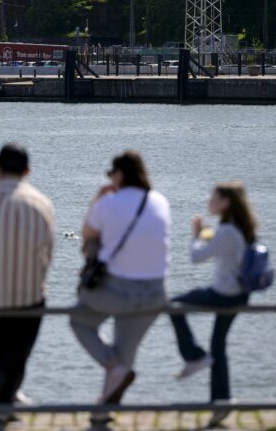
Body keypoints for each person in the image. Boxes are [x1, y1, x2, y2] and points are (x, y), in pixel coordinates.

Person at [70, 151, 170, 417]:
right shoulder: (159, 200)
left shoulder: (108, 203)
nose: (109, 179)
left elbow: (87, 237)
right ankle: (103, 412)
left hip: (118, 291)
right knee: (124, 355)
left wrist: (97, 199)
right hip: (156, 294)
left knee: (79, 321)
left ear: (120, 174)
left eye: (110, 174)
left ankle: (113, 369)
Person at [0, 143, 55, 424]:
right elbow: (48, 253)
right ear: (28, 171)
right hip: (30, 296)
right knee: (19, 352)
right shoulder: (41, 203)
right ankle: (7, 397)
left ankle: (4, 398)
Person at [169, 181, 257, 428]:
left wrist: (195, 235)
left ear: (226, 203)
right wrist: (207, 234)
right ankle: (221, 402)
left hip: (223, 294)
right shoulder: (239, 228)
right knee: (218, 346)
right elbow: (222, 246)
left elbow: (196, 257)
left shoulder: (227, 231)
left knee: (173, 305)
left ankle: (194, 356)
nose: (209, 201)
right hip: (239, 294)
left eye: (214, 198)